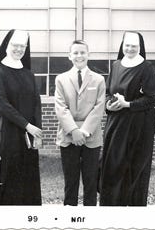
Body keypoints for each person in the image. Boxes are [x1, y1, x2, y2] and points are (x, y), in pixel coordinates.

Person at [0, 29, 42, 205]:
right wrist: (28, 126)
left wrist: (37, 131)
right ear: (7, 46)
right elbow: (2, 105)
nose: (19, 49)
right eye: (15, 45)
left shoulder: (29, 74)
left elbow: (37, 103)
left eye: (23, 46)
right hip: (5, 131)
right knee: (4, 175)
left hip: (27, 135)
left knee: (26, 176)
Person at [98, 31, 155, 206]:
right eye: (127, 45)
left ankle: (133, 211)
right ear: (122, 45)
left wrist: (128, 105)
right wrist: (108, 105)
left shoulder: (147, 68)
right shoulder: (116, 65)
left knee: (134, 168)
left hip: (139, 126)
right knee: (112, 165)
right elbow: (109, 92)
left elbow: (152, 99)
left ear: (140, 47)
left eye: (134, 46)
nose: (130, 49)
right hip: (116, 123)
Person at [55, 40, 106, 206]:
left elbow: (99, 107)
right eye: (75, 53)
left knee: (90, 181)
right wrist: (74, 131)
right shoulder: (61, 79)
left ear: (88, 55)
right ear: (70, 56)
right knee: (71, 181)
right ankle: (70, 215)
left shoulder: (98, 80)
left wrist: (83, 131)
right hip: (68, 136)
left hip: (91, 137)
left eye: (82, 52)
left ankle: (89, 216)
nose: (79, 56)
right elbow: (61, 107)